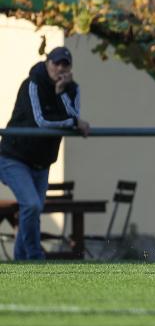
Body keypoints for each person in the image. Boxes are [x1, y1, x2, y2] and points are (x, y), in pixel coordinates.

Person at [0, 47, 90, 260]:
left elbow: (73, 117)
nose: (59, 68)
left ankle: (22, 261)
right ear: (47, 63)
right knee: (31, 205)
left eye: (64, 65)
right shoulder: (32, 83)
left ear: (70, 69)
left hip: (41, 162)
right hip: (13, 157)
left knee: (33, 210)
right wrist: (74, 122)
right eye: (55, 63)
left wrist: (60, 93)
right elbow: (41, 122)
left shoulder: (72, 89)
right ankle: (34, 256)